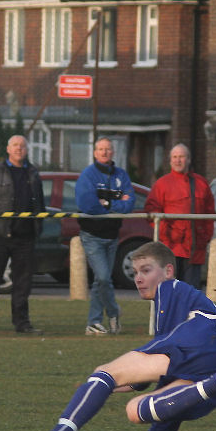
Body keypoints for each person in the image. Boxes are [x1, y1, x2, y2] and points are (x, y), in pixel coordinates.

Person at [6, 241, 216, 431]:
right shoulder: (186, 304)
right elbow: (174, 399)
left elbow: (167, 352)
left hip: (203, 336)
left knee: (104, 373)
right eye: (135, 273)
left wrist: (118, 381)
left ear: (168, 271)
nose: (139, 278)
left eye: (146, 270)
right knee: (135, 410)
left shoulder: (171, 289)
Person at [0, 134, 45, 335]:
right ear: (8, 149)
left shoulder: (33, 173)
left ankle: (22, 323)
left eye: (22, 146)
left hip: (25, 237)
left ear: (27, 149)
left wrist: (37, 227)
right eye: (15, 145)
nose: (19, 149)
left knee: (23, 283)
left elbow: (39, 203)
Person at [75, 137, 135, 335]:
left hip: (112, 235)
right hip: (92, 235)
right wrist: (116, 204)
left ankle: (94, 322)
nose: (104, 152)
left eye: (108, 149)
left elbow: (130, 204)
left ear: (113, 152)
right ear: (94, 153)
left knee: (102, 281)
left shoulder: (121, 175)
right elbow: (88, 205)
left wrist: (108, 204)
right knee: (102, 278)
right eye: (100, 149)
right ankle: (113, 312)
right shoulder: (88, 175)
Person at [144, 143, 215, 289]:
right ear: (170, 161)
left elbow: (209, 213)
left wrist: (205, 236)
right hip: (171, 248)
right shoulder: (162, 184)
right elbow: (151, 212)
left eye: (181, 157)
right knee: (169, 293)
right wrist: (167, 233)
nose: (178, 160)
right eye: (175, 157)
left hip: (195, 249)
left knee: (191, 293)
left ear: (188, 159)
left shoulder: (201, 183)